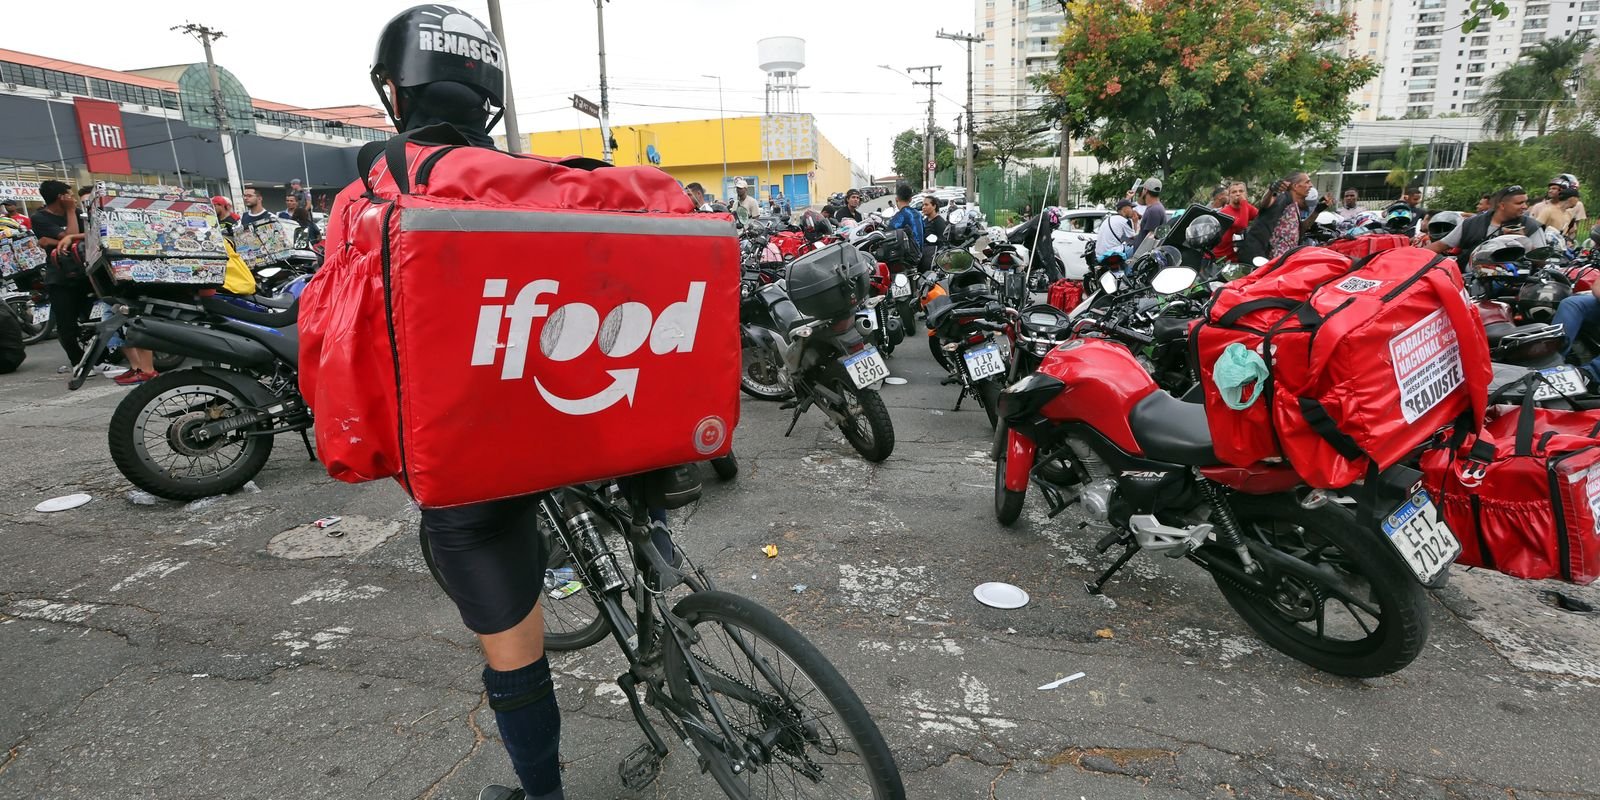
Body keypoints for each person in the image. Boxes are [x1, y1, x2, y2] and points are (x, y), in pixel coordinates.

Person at [29, 181, 128, 380]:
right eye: (70, 195)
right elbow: (71, 235)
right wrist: (70, 218)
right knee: (67, 324)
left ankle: (99, 361)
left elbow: (90, 235)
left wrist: (56, 241)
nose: (73, 198)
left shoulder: (78, 213)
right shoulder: (40, 217)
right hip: (60, 277)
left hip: (85, 273)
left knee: (93, 320)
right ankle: (78, 363)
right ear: (61, 197)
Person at [1428, 184, 1545, 268]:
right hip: (1468, 283)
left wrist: (1525, 243)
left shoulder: (1531, 226)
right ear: (1502, 205)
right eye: (1519, 203)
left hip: (1513, 287)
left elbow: (1543, 262)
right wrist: (1417, 255)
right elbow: (1440, 245)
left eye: (1525, 202)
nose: (1525, 206)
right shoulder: (1471, 223)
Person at [1241, 172, 1313, 263]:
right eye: (1307, 182)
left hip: (1287, 257)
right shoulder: (1281, 198)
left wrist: (1317, 211)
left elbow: (1301, 230)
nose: (1311, 185)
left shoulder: (1293, 204)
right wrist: (1272, 190)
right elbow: (1265, 204)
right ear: (1295, 186)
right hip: (1272, 258)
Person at [1214, 181, 1257, 263]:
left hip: (1237, 256)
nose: (1238, 194)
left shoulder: (1246, 207)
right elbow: (1242, 225)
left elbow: (1260, 216)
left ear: (1246, 194)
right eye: (1234, 192)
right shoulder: (1225, 212)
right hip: (1220, 258)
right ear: (1229, 196)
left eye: (1241, 191)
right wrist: (1243, 202)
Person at [1127, 177, 1166, 251]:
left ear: (1145, 190)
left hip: (1142, 254)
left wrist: (1139, 256)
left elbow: (1150, 239)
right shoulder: (1155, 208)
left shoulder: (1154, 210)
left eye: (1143, 189)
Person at [887, 182, 924, 249]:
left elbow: (888, 238)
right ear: (910, 199)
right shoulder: (918, 214)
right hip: (920, 253)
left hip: (906, 254)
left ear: (896, 199)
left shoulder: (898, 218)